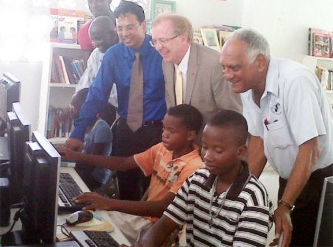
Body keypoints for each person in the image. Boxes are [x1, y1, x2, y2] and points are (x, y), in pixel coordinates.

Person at [220, 28, 333, 247]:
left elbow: (310, 150)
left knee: (311, 239)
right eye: (223, 67)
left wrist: (285, 205)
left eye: (234, 68)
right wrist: (241, 191)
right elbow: (259, 141)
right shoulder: (246, 86)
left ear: (260, 62)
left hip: (319, 179)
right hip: (290, 176)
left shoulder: (295, 81)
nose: (227, 75)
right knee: (285, 239)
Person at [60, 104, 205, 244]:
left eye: (171, 131)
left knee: (85, 226)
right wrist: (77, 156)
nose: (164, 134)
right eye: (164, 128)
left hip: (157, 230)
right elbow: (124, 163)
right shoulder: (162, 149)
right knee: (78, 221)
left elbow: (163, 207)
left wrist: (110, 203)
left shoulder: (193, 167)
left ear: (190, 135)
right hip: (141, 220)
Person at [65, 0, 166, 201]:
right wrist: (78, 132)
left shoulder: (161, 52)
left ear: (143, 26)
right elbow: (97, 95)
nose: (125, 33)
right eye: (120, 28)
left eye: (130, 27)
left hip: (157, 134)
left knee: (152, 192)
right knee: (126, 190)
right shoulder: (113, 55)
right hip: (127, 130)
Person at [137, 110, 274, 247]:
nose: (207, 156)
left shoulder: (254, 199)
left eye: (218, 150)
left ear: (240, 152)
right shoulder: (198, 178)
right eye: (205, 147)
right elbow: (166, 223)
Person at [151, 14, 242, 128]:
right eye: (154, 41)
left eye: (163, 40)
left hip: (208, 141)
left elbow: (231, 115)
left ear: (183, 38)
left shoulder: (215, 64)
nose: (158, 47)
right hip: (181, 141)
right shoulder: (167, 62)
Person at [69, 88, 116, 190]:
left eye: (76, 106)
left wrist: (71, 160)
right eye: (71, 105)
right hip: (80, 168)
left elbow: (93, 163)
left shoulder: (101, 128)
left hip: (94, 178)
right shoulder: (80, 125)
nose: (71, 109)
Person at [75, 16, 119, 107]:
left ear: (113, 34)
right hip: (107, 108)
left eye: (98, 38)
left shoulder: (126, 53)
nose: (95, 43)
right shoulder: (96, 54)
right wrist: (77, 100)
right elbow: (86, 84)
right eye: (93, 40)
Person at [79, 0, 116, 65]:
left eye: (99, 0)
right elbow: (90, 69)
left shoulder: (125, 25)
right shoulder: (85, 31)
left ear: (109, 0)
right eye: (90, 1)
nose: (94, 5)